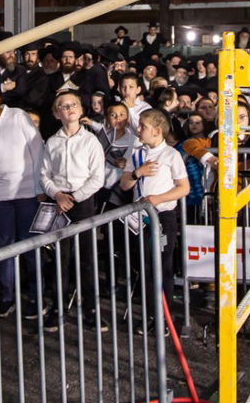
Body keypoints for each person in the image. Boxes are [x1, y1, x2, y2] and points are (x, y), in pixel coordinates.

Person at [0, 80, 44, 317]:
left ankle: (36, 297)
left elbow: (37, 150)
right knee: (4, 249)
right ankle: (6, 297)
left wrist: (39, 188)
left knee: (31, 248)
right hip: (0, 198)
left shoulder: (18, 116)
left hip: (27, 194)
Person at [40, 91, 107, 329]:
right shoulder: (52, 141)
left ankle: (90, 308)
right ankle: (57, 307)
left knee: (86, 258)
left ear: (81, 109)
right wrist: (57, 195)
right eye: (63, 106)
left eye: (73, 105)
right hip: (59, 205)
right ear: (56, 113)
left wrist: (74, 197)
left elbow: (97, 178)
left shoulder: (91, 141)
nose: (68, 109)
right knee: (59, 259)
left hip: (83, 202)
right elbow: (44, 174)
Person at [118, 107, 190, 320]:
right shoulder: (137, 154)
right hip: (139, 218)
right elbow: (124, 185)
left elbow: (183, 187)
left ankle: (162, 317)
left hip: (163, 217)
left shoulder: (171, 154)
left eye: (143, 126)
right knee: (145, 265)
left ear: (158, 131)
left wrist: (158, 199)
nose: (139, 129)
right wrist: (137, 173)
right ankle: (150, 313)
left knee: (162, 266)